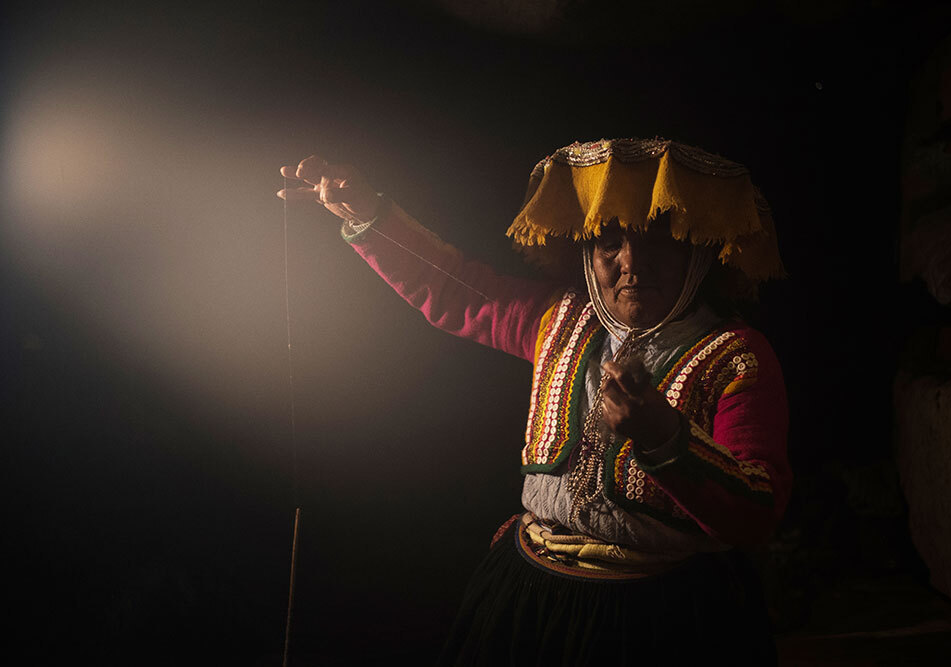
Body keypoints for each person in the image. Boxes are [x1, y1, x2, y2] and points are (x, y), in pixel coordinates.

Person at [277, 138, 790, 666]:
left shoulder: (735, 357)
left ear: (696, 251)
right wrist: (367, 212)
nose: (631, 263)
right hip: (531, 596)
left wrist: (665, 437)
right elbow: (450, 288)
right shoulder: (558, 319)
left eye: (658, 241)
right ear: (586, 256)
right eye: (609, 243)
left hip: (662, 618)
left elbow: (757, 513)